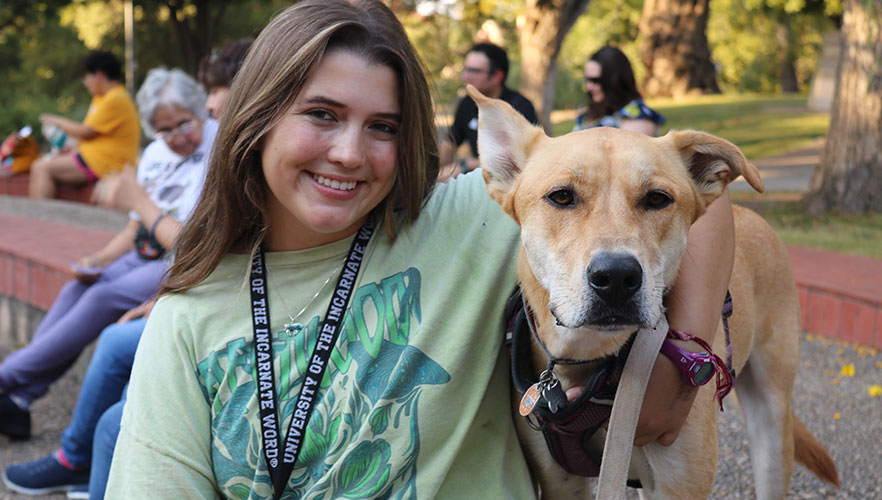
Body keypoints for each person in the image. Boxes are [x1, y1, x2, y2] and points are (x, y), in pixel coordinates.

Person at [105, 1, 735, 498]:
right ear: (256, 118)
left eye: (383, 127)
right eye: (322, 114)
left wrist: (682, 361)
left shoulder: (465, 222)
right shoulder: (186, 318)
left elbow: (678, 189)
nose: (350, 153)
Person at [2, 44, 252, 498]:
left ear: (206, 111)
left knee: (104, 309)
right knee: (81, 287)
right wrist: (99, 259)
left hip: (176, 261)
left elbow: (191, 243)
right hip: (151, 253)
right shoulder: (158, 155)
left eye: (185, 122)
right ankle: (20, 395)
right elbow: (136, 227)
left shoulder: (221, 148)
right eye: (164, 129)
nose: (175, 135)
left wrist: (138, 202)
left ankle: (11, 382)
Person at [29, 50, 140, 199]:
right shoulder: (102, 98)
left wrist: (56, 121)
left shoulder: (115, 98)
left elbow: (84, 131)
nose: (86, 83)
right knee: (43, 163)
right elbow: (89, 135)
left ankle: (38, 217)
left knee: (41, 167)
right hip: (96, 158)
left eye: (87, 77)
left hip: (107, 163)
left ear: (99, 75)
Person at [439, 42, 538, 179]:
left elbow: (519, 163)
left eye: (474, 71)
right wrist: (430, 171)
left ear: (497, 76)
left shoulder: (520, 107)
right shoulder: (467, 103)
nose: (465, 77)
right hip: (479, 180)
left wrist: (465, 166)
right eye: (465, 70)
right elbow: (450, 144)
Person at [574, 45, 666, 136]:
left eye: (595, 81)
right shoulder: (592, 113)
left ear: (615, 82)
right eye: (588, 80)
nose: (589, 86)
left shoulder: (637, 119)